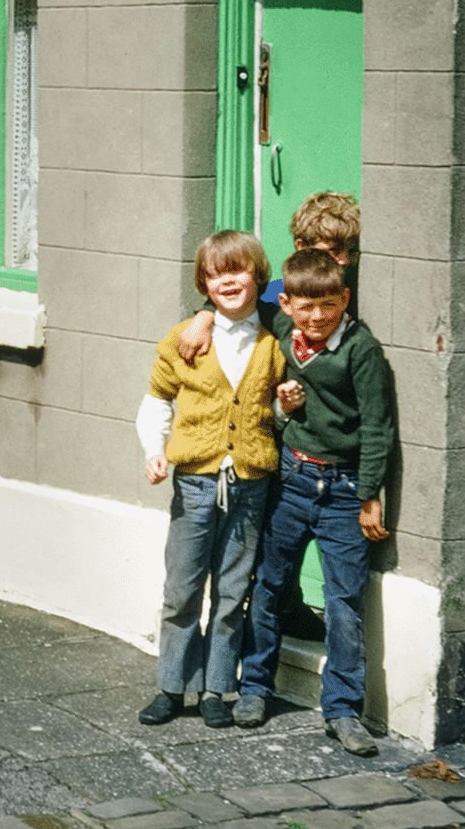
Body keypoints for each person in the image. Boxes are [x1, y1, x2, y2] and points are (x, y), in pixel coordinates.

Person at [234, 246, 398, 753]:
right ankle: (255, 687)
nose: (318, 317)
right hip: (292, 479)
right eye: (305, 307)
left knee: (344, 601)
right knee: (268, 583)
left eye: (328, 305)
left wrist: (371, 495)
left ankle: (344, 709)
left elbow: (377, 427)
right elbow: (236, 303)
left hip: (344, 489)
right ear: (286, 304)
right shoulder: (285, 331)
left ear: (344, 299)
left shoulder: (361, 351)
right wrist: (198, 320)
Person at [179, 191, 362, 637]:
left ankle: (291, 608)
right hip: (276, 428)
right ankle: (281, 608)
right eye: (323, 252)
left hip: (330, 440)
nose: (336, 262)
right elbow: (237, 299)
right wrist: (204, 315)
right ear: (299, 249)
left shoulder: (346, 295)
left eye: (344, 252)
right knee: (272, 533)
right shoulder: (283, 295)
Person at [133, 231, 287, 730]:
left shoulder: (272, 342)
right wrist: (155, 452)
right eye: (216, 275)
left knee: (230, 591)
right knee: (182, 588)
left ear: (258, 277)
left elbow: (273, 414)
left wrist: (287, 404)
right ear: (204, 283)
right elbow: (157, 400)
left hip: (249, 487)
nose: (228, 282)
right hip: (196, 484)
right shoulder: (187, 339)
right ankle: (172, 686)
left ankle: (216, 687)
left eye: (238, 271)